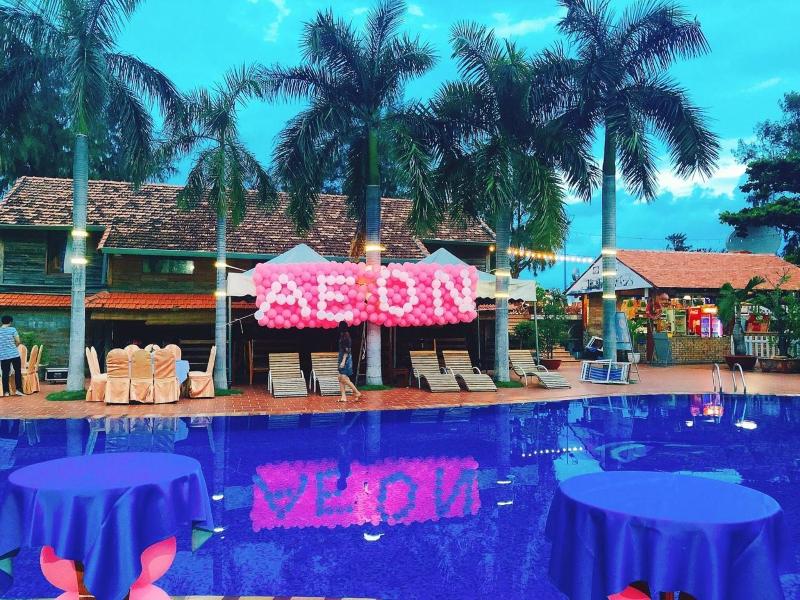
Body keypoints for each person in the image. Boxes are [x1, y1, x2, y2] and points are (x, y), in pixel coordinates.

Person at [337, 322, 361, 402]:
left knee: (344, 378)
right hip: (342, 358)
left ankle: (357, 392)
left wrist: (343, 361)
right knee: (340, 378)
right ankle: (343, 397)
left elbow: (347, 351)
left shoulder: (346, 337)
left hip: (345, 359)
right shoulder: (343, 336)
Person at [0, 316, 24, 397]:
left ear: (2, 322)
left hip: (3, 355)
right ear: (10, 322)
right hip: (14, 354)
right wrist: (14, 347)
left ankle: (6, 392)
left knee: (5, 373)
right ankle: (18, 390)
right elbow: (18, 341)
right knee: (17, 371)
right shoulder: (12, 329)